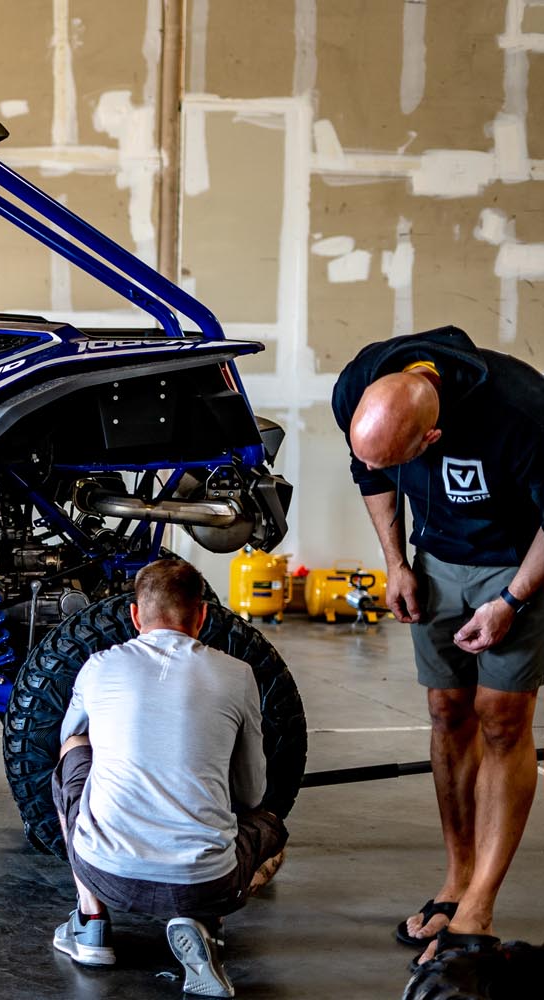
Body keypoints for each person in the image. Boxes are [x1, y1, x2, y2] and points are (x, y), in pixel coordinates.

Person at [332, 326, 544, 964]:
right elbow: (368, 476)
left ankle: (478, 906)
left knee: (501, 719)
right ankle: (456, 878)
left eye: (394, 460)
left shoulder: (522, 410)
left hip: (516, 561)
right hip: (437, 559)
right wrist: (396, 562)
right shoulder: (362, 384)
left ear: (432, 440)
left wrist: (510, 602)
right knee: (448, 710)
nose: (376, 470)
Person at [51, 559, 287, 998]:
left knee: (72, 754)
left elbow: (71, 738)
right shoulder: (239, 675)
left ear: (136, 616)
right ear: (201, 615)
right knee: (271, 828)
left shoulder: (98, 665)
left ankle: (91, 923)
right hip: (210, 882)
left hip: (107, 871)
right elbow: (252, 792)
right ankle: (201, 922)